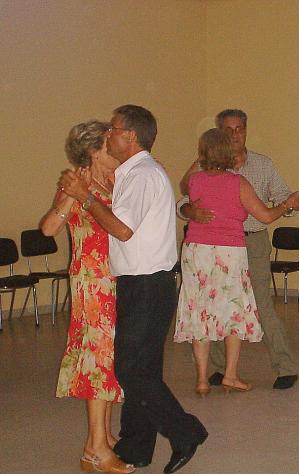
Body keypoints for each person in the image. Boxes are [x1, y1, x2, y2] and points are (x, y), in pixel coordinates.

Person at [60, 105, 207, 474]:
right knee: (144, 368)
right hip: (141, 283)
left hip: (147, 284)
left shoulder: (141, 175)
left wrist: (86, 196)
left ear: (130, 136)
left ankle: (185, 432)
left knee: (130, 370)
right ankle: (137, 446)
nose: (108, 134)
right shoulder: (132, 173)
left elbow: (122, 230)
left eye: (113, 129)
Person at [177, 109, 299, 390]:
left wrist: (291, 203)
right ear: (220, 133)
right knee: (214, 305)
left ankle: (284, 367)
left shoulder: (262, 164)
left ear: (246, 130)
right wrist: (191, 211)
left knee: (259, 304)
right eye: (228, 130)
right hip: (215, 246)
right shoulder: (201, 169)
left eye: (239, 129)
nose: (235, 134)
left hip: (251, 242)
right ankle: (218, 370)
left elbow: (280, 197)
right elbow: (184, 200)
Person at [42, 121, 134, 474]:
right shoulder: (77, 182)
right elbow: (49, 227)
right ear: (94, 151)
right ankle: (96, 449)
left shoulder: (115, 181)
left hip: (116, 278)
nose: (118, 151)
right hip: (93, 282)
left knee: (109, 358)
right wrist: (73, 195)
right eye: (111, 146)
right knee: (99, 358)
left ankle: (103, 436)